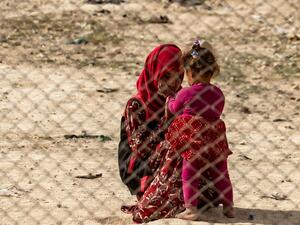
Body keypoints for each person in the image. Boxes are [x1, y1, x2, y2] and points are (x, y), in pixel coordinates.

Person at [166, 39, 234, 220]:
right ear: (211, 72)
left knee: (190, 173)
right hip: (215, 140)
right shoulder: (218, 93)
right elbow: (217, 110)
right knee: (222, 173)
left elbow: (175, 108)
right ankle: (228, 207)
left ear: (190, 73)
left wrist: (169, 100)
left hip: (195, 144)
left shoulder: (185, 93)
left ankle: (191, 209)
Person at [118, 44, 184, 199]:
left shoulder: (181, 98)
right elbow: (140, 148)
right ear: (154, 72)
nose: (172, 83)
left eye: (178, 76)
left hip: (171, 160)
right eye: (166, 76)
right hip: (139, 165)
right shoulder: (136, 104)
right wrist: (168, 121)